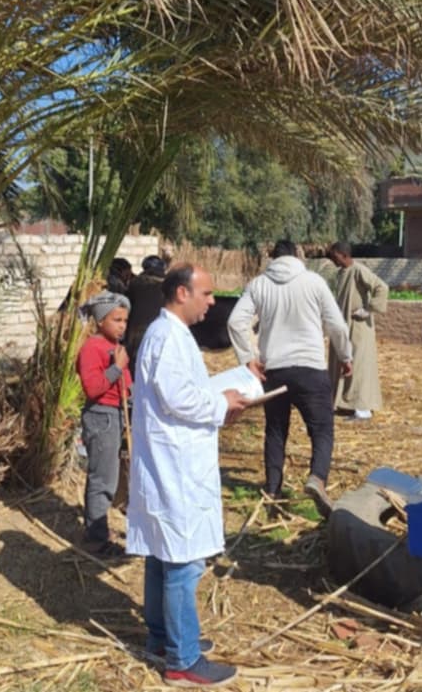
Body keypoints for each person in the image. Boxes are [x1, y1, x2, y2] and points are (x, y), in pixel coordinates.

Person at [127, 264, 248, 688]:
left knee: (163, 554)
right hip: (174, 467)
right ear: (182, 293)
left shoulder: (171, 335)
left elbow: (181, 392)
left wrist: (223, 395)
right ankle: (182, 659)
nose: (212, 302)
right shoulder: (167, 337)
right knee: (181, 560)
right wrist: (222, 403)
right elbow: (179, 398)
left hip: (173, 462)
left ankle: (164, 638)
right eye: (207, 294)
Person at [227, 239, 352, 517]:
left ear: (273, 258)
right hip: (310, 368)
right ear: (297, 255)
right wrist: (346, 355)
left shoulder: (259, 284)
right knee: (321, 429)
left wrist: (248, 358)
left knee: (275, 430)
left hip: (274, 369)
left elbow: (235, 322)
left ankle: (273, 490)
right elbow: (336, 325)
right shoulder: (314, 282)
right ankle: (317, 478)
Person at [76, 291, 133, 556]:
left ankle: (99, 529)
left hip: (116, 414)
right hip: (102, 417)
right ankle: (96, 539)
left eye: (125, 320)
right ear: (100, 321)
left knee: (111, 475)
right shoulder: (92, 348)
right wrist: (116, 368)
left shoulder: (115, 347)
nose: (122, 326)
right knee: (103, 479)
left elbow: (126, 385)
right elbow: (93, 387)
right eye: (116, 320)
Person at [326, 242, 389, 421]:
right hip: (344, 326)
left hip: (358, 328)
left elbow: (382, 287)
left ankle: (363, 409)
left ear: (344, 255)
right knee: (342, 362)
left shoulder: (359, 270)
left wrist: (368, 309)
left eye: (335, 257)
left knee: (359, 366)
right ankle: (345, 403)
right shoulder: (341, 273)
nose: (333, 260)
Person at [124, 255, 167, 375]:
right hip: (161, 330)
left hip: (136, 332)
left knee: (136, 367)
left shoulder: (135, 283)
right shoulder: (169, 285)